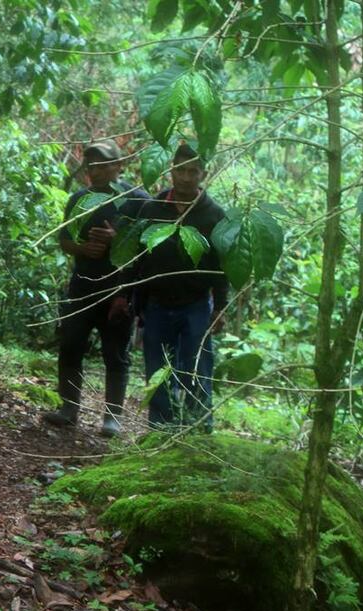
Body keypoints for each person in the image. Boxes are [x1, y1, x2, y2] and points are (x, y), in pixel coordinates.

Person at [43, 139, 148, 436]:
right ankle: (68, 408)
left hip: (120, 289)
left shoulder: (137, 199)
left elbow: (150, 246)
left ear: (119, 166)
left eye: (104, 165)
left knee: (116, 353)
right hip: (83, 286)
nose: (97, 171)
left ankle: (112, 417)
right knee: (70, 344)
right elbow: (64, 240)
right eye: (92, 165)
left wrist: (119, 239)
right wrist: (84, 248)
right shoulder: (79, 198)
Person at [135, 143, 227, 427]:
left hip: (196, 304)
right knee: (157, 368)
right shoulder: (152, 209)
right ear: (171, 171)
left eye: (193, 171)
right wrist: (136, 307)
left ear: (203, 174)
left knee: (197, 366)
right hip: (157, 304)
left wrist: (221, 307)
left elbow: (221, 266)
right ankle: (160, 427)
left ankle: (199, 426)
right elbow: (139, 261)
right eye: (180, 170)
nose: (186, 177)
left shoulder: (214, 215)